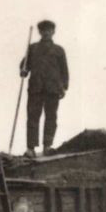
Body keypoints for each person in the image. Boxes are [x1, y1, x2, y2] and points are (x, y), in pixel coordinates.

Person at [20, 19, 69, 157]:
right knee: (33, 117)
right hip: (35, 88)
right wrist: (23, 71)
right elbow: (24, 65)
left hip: (53, 90)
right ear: (40, 32)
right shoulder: (33, 48)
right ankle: (31, 149)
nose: (46, 33)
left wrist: (64, 87)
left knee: (51, 118)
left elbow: (64, 70)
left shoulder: (59, 50)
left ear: (53, 32)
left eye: (49, 30)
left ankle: (47, 146)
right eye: (43, 30)